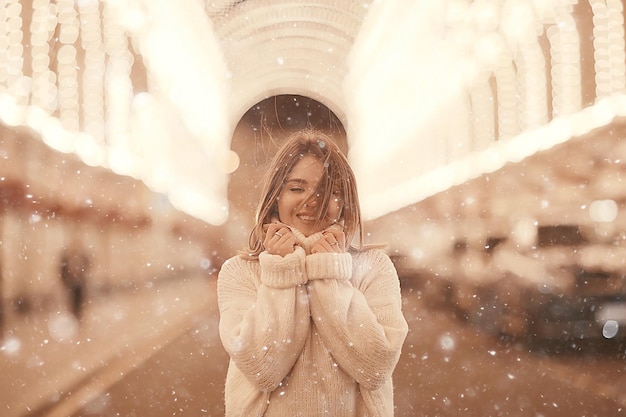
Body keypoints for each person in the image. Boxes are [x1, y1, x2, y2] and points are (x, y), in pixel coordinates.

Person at [217, 129, 409, 417]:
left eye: (329, 191)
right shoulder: (240, 273)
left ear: (344, 202)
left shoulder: (374, 267)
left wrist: (329, 274)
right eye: (296, 188)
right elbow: (263, 370)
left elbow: (374, 369)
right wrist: (281, 273)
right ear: (275, 197)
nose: (312, 201)